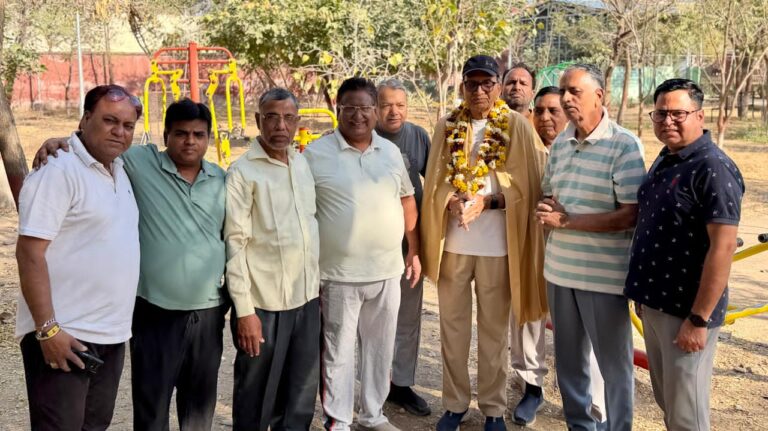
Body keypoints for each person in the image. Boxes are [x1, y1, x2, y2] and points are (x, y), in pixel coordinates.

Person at [34, 99, 228, 431]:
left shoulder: (222, 179)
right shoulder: (139, 163)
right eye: (180, 133)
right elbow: (99, 144)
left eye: (198, 134)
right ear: (166, 136)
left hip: (208, 311)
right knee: (152, 404)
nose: (190, 142)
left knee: (199, 407)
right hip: (154, 311)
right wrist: (60, 140)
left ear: (208, 138)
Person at [421, 55, 548, 431]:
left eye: (487, 83)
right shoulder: (447, 125)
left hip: (498, 248)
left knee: (494, 333)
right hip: (454, 247)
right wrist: (450, 199)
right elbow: (434, 183)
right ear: (462, 86)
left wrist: (488, 202)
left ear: (498, 85)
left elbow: (529, 188)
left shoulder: (518, 126)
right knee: (452, 329)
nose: (479, 91)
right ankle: (455, 404)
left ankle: (493, 409)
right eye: (472, 83)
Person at [16, 84, 142, 430]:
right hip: (65, 335)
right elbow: (29, 253)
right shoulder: (57, 170)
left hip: (110, 335)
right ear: (85, 119)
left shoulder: (121, 168)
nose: (119, 132)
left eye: (127, 125)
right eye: (109, 121)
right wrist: (47, 331)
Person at [625, 79, 744, 431]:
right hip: (656, 303)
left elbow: (723, 248)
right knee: (669, 403)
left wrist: (699, 319)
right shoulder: (667, 157)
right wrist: (644, 297)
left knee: (686, 414)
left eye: (678, 113)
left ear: (699, 115)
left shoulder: (713, 168)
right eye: (660, 114)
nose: (668, 121)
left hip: (686, 313)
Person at [304, 77, 420, 431]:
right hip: (338, 274)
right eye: (350, 108)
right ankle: (338, 421)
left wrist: (414, 251)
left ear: (375, 111)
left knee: (379, 349)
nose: (358, 115)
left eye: (365, 108)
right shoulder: (315, 155)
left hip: (387, 271)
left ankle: (373, 415)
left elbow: (407, 200)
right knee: (337, 353)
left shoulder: (390, 152)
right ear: (337, 109)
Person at [535, 63, 645, 431]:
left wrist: (567, 221)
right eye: (562, 90)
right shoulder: (561, 143)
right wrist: (547, 208)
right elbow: (550, 193)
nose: (565, 98)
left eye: (574, 91)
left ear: (599, 96)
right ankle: (580, 426)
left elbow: (630, 214)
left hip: (603, 277)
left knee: (614, 367)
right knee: (569, 363)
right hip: (559, 271)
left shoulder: (624, 145)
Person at [510, 85, 608, 427]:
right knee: (527, 319)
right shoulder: (520, 150)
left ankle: (594, 404)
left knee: (586, 332)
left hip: (579, 253)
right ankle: (531, 388)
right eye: (539, 111)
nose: (546, 118)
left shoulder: (583, 149)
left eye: (555, 110)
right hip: (530, 246)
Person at [224, 88, 320, 430]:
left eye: (288, 118)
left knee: (299, 395)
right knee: (256, 397)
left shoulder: (301, 162)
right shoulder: (243, 172)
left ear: (297, 121)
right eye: (272, 117)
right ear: (258, 120)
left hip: (306, 299)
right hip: (263, 306)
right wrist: (245, 312)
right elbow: (235, 244)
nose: (281, 126)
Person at [374, 78, 432, 417]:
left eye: (400, 105)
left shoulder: (418, 136)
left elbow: (434, 184)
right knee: (373, 320)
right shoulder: (364, 135)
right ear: (375, 107)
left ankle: (401, 384)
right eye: (386, 105)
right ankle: (374, 385)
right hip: (373, 246)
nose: (393, 112)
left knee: (407, 316)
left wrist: (422, 245)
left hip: (411, 244)